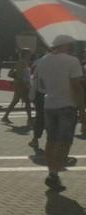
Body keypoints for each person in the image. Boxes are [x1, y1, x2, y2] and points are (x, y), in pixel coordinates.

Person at [33, 35, 85, 191]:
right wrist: (82, 110)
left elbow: (40, 84)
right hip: (67, 105)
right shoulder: (72, 61)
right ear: (66, 45)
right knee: (65, 142)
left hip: (49, 104)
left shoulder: (43, 60)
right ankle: (55, 171)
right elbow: (76, 87)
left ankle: (52, 171)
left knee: (51, 140)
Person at [2, 48, 33, 124]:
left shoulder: (25, 62)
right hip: (21, 84)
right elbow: (20, 75)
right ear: (25, 54)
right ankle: (29, 119)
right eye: (29, 53)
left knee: (17, 101)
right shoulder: (21, 62)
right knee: (26, 101)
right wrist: (26, 84)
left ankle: (5, 116)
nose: (30, 55)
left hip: (21, 84)